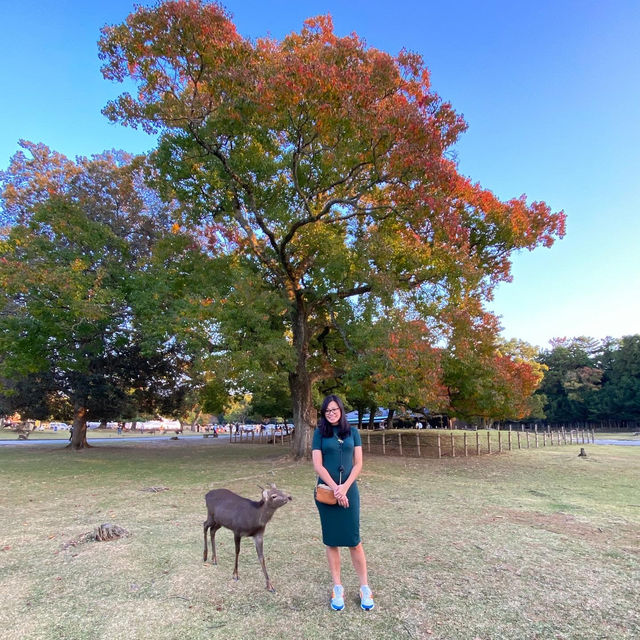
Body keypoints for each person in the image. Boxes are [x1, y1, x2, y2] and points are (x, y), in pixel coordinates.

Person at [312, 395, 374, 611]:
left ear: (341, 410)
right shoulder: (320, 433)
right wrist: (336, 489)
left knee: (354, 541)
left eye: (334, 409)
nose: (331, 413)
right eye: (327, 411)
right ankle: (337, 587)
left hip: (349, 491)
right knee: (332, 541)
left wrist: (344, 488)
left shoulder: (353, 432)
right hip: (327, 493)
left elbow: (358, 464)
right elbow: (318, 465)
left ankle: (364, 587)